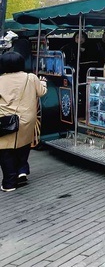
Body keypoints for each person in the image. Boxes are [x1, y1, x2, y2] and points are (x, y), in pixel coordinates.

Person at [0, 52, 47, 191]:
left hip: (5, 121)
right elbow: (42, 92)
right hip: (27, 119)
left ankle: (9, 183)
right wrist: (43, 81)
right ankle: (22, 172)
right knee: (24, 145)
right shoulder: (31, 78)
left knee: (5, 151)